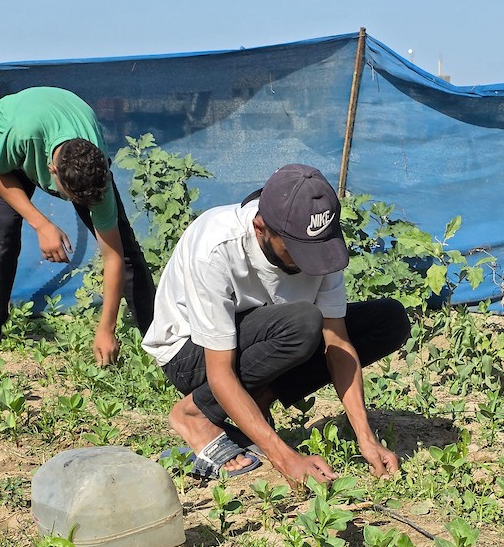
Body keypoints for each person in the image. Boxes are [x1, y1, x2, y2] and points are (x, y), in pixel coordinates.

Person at [142, 163, 410, 484]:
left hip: (265, 338)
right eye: (297, 250)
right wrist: (285, 458)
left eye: (317, 249)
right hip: (191, 354)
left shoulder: (320, 244)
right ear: (261, 228)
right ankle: (195, 414)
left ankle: (257, 398)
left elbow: (336, 343)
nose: (308, 262)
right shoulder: (215, 248)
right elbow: (220, 371)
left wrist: (365, 436)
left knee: (388, 320)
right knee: (302, 323)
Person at [0, 87, 154, 377]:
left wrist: (106, 329)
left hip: (69, 120)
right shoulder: (22, 135)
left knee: (126, 251)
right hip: (17, 135)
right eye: (76, 200)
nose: (83, 206)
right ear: (50, 171)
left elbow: (113, 257)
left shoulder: (95, 170)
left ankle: (159, 342)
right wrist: (42, 224)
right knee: (3, 237)